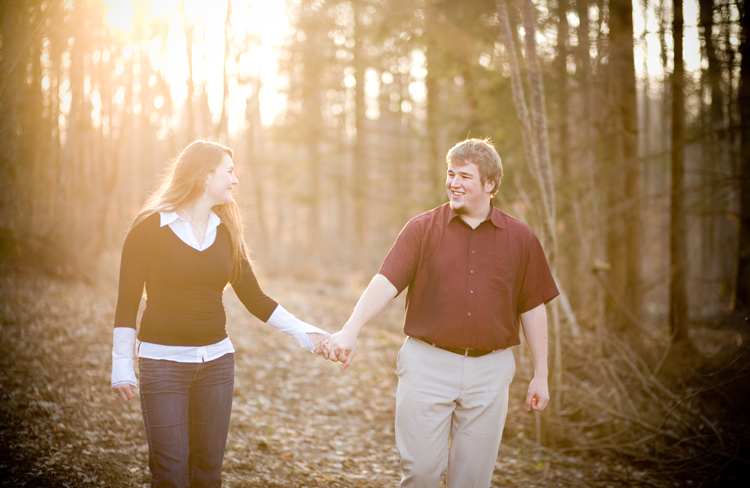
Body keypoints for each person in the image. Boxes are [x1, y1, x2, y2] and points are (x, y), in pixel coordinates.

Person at [317, 138, 559, 488]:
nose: (453, 183)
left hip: (490, 373)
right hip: (427, 366)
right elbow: (385, 281)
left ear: (490, 185)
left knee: (472, 480)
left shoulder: (520, 239)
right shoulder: (422, 229)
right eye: (450, 173)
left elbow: (533, 307)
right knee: (421, 474)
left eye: (465, 176)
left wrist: (542, 373)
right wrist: (351, 329)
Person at [110, 139, 329, 488]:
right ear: (204, 175)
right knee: (170, 474)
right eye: (229, 172)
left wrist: (308, 334)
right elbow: (127, 300)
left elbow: (254, 297)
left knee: (208, 474)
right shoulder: (149, 227)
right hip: (163, 364)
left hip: (216, 365)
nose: (235, 180)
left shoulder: (225, 231)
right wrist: (121, 364)